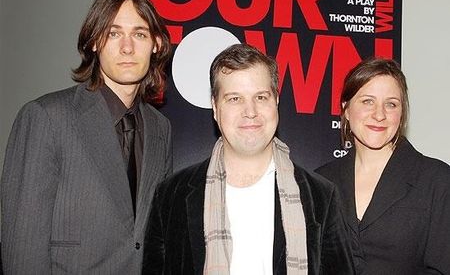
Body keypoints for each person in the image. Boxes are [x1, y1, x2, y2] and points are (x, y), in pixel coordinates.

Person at [1, 0, 172, 273]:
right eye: (113, 33)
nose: (127, 47)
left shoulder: (161, 128)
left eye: (139, 34)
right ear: (94, 41)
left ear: (155, 44)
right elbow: (23, 249)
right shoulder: (46, 117)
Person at [142, 43, 354, 274]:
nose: (250, 111)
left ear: (276, 102)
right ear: (215, 107)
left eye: (261, 97)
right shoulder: (171, 195)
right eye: (235, 99)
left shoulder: (320, 197)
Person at [315, 57, 450, 274]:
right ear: (346, 109)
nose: (379, 114)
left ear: (402, 113)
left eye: (391, 104)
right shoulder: (321, 182)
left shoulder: (436, 180)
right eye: (367, 101)